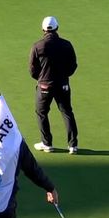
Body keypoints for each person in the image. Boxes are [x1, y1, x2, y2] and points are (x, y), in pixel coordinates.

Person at [29, 16, 79, 154]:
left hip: (44, 86)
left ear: (43, 29)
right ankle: (73, 145)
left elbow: (32, 70)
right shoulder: (66, 44)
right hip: (63, 85)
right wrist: (64, 77)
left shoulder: (37, 46)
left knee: (41, 113)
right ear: (57, 28)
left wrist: (41, 79)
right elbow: (73, 65)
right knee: (67, 112)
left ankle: (47, 143)